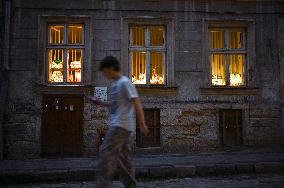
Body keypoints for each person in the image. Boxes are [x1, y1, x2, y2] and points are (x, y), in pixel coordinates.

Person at [88, 56, 148, 188]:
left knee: (106, 152)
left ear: (110, 68)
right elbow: (114, 105)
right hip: (122, 126)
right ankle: (130, 185)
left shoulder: (124, 82)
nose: (104, 74)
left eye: (104, 71)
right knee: (123, 159)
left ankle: (101, 185)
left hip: (120, 126)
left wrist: (142, 123)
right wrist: (100, 102)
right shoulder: (116, 84)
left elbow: (136, 102)